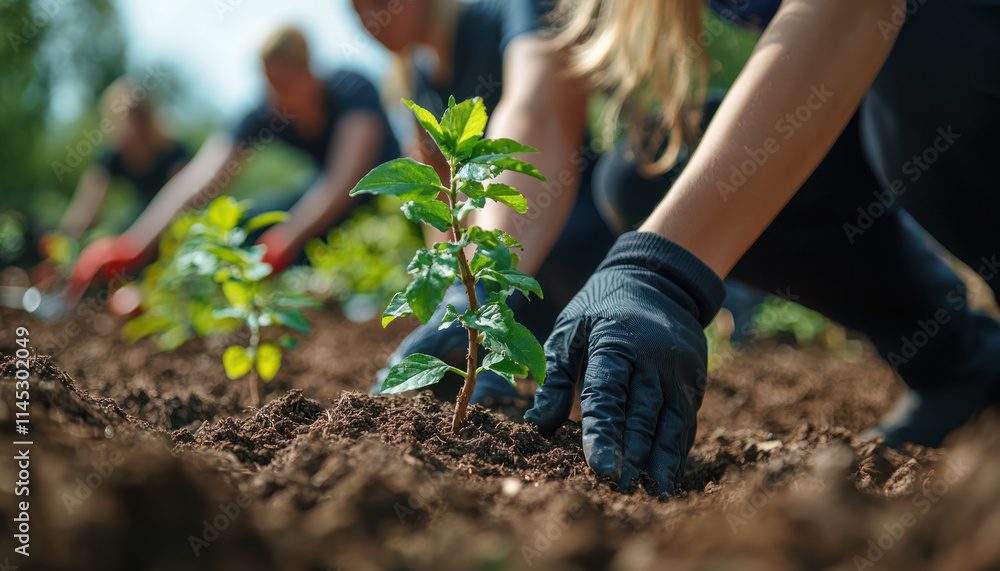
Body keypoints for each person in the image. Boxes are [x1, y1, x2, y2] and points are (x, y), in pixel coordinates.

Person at [518, 0, 1000, 494]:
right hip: (864, 98)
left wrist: (658, 271)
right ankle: (963, 369)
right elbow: (539, 109)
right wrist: (483, 299)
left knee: (934, 66)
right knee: (651, 174)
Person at [350, 0, 619, 409]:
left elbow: (536, 112)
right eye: (358, 12)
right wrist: (449, 297)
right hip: (508, 299)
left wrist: (476, 293)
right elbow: (444, 207)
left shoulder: (513, 11)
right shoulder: (419, 82)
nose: (373, 22)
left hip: (582, 262)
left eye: (381, 3)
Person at [66, 26, 400, 300]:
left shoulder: (353, 90)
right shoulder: (269, 110)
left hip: (384, 202)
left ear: (308, 70)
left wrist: (287, 237)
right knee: (240, 228)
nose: (275, 98)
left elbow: (344, 182)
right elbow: (202, 176)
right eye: (269, 85)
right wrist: (135, 244)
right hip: (322, 202)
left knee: (300, 238)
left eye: (284, 84)